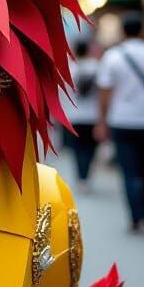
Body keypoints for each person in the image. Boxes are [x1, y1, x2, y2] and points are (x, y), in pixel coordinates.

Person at [95, 11, 144, 231]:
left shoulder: (112, 56)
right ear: (142, 30)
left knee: (129, 171)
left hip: (120, 120)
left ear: (123, 31)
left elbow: (105, 92)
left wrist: (101, 121)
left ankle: (135, 215)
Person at [59, 38, 100, 188]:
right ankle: (86, 175)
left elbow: (61, 93)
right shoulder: (97, 67)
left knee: (77, 149)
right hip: (93, 116)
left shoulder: (69, 68)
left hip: (73, 115)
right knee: (91, 147)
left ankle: (81, 177)